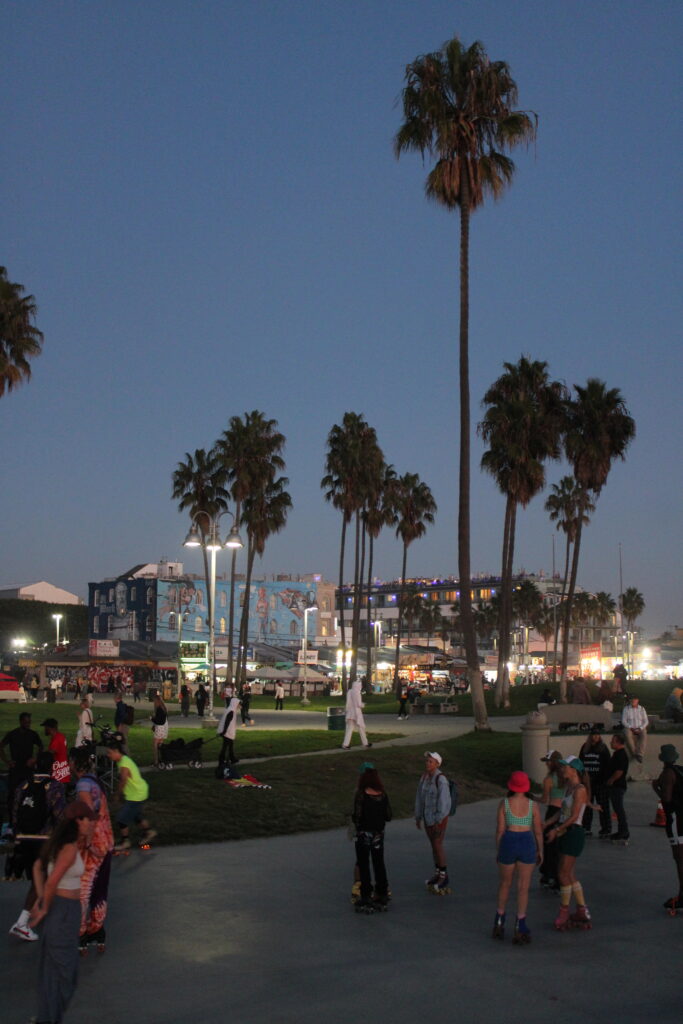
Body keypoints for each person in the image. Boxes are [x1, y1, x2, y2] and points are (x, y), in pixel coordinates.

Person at [29, 801, 96, 1024]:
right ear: (78, 821)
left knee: (53, 970)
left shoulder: (59, 843)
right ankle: (48, 1018)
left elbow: (37, 867)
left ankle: (46, 1018)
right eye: (88, 819)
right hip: (63, 911)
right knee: (67, 972)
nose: (91, 823)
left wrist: (42, 901)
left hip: (63, 909)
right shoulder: (68, 849)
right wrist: (44, 905)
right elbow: (52, 882)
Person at [8, 751, 66, 941]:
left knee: (39, 879)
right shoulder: (54, 787)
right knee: (42, 880)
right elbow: (59, 815)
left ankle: (37, 910)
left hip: (25, 839)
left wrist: (17, 835)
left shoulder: (23, 785)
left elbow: (15, 811)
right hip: (44, 840)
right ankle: (23, 922)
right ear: (52, 767)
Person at [71, 745, 115, 954]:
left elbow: (87, 812)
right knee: (100, 888)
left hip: (92, 846)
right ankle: (97, 929)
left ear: (74, 762)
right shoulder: (96, 781)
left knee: (83, 890)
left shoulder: (82, 785)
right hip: (106, 843)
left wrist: (86, 842)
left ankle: (81, 934)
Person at [493, 770, 543, 943]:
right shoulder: (532, 806)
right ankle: (520, 924)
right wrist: (540, 850)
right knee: (523, 887)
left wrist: (499, 849)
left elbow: (500, 830)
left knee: (505, 883)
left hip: (509, 840)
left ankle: (499, 920)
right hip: (526, 841)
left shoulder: (504, 804)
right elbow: (538, 831)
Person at [545, 756, 592, 930]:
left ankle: (564, 912)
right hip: (566, 831)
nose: (562, 770)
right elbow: (562, 812)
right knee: (569, 874)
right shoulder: (568, 788)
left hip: (573, 832)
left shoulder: (579, 790)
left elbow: (573, 816)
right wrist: (548, 823)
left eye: (565, 767)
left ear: (574, 770)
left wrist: (556, 830)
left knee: (563, 874)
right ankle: (582, 909)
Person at [352, 763, 392, 913]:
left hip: (364, 834)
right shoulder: (382, 794)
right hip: (378, 833)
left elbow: (357, 816)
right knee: (379, 863)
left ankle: (366, 896)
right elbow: (388, 815)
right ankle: (382, 893)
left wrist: (357, 826)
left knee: (363, 865)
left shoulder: (361, 794)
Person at [106, 739, 156, 852]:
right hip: (138, 792)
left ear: (116, 751)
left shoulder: (124, 763)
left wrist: (117, 795)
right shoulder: (122, 761)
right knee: (136, 815)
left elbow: (123, 780)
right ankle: (149, 832)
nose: (108, 756)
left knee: (121, 819)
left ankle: (125, 842)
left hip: (136, 794)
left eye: (109, 753)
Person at [415, 751, 452, 895]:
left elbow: (444, 803)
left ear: (437, 763)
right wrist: (418, 816)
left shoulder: (441, 779)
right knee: (433, 846)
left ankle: (444, 875)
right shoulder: (424, 778)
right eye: (427, 761)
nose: (428, 763)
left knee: (438, 844)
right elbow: (419, 798)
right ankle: (437, 872)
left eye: (431, 761)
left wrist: (438, 820)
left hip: (438, 819)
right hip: (427, 818)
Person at [652, 744, 683, 911]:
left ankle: (682, 895)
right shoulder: (679, 770)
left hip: (676, 819)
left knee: (679, 857)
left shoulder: (667, 774)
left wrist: (656, 787)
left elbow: (667, 799)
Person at [0, 711, 43, 824]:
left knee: (28, 793)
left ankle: (26, 815)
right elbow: (1, 746)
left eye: (29, 722)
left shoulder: (32, 734)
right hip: (16, 768)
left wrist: (35, 759)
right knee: (12, 793)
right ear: (21, 722)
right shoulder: (13, 734)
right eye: (25, 722)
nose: (28, 724)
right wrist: (7, 761)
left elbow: (41, 746)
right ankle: (11, 819)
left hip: (27, 768)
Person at [538, 750, 564, 889]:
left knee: (549, 845)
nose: (547, 764)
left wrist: (531, 797)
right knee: (559, 847)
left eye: (548, 761)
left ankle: (548, 874)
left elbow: (544, 799)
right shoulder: (565, 777)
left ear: (553, 762)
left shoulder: (548, 779)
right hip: (563, 812)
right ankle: (558, 876)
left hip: (552, 810)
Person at [579, 729, 611, 836]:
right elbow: (580, 763)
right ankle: (586, 827)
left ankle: (606, 828)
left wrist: (604, 780)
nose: (595, 737)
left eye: (597, 735)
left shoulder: (603, 748)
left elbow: (607, 764)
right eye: (593, 735)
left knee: (603, 805)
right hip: (588, 781)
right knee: (587, 805)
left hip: (600, 782)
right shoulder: (585, 747)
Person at [604, 732, 630, 842]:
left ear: (618, 742)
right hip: (615, 786)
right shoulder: (617, 754)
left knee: (619, 809)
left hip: (617, 786)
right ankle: (621, 831)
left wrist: (611, 780)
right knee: (617, 809)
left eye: (613, 740)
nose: (610, 742)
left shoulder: (621, 755)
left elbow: (620, 771)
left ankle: (624, 831)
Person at [621, 694, 649, 774]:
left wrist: (640, 728)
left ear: (638, 700)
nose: (633, 701)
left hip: (640, 727)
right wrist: (631, 728)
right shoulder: (626, 709)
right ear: (630, 701)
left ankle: (640, 754)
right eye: (632, 699)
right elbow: (624, 721)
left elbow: (646, 721)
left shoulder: (642, 709)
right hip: (630, 727)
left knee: (644, 734)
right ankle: (634, 753)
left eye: (635, 699)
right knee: (626, 734)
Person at [341, 679, 371, 750]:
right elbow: (358, 704)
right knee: (361, 728)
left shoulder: (350, 692)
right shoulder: (357, 693)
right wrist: (363, 705)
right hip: (357, 713)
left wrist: (347, 710)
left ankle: (345, 744)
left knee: (349, 729)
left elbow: (348, 703)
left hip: (350, 712)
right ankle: (365, 743)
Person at [42, 718, 71, 786]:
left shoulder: (57, 739)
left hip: (59, 775)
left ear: (50, 728)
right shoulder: (60, 736)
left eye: (45, 727)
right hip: (63, 773)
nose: (44, 729)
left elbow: (49, 754)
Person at [217, 696, 240, 765]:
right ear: (235, 704)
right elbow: (227, 722)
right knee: (226, 746)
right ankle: (222, 759)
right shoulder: (231, 711)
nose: (239, 705)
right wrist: (224, 731)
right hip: (227, 732)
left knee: (229, 746)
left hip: (227, 731)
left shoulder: (230, 709)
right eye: (238, 704)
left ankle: (232, 758)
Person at [150, 694, 168, 767]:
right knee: (160, 745)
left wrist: (152, 718)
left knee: (155, 745)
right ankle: (161, 759)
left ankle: (156, 761)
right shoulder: (163, 708)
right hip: (164, 728)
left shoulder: (159, 709)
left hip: (160, 728)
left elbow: (159, 721)